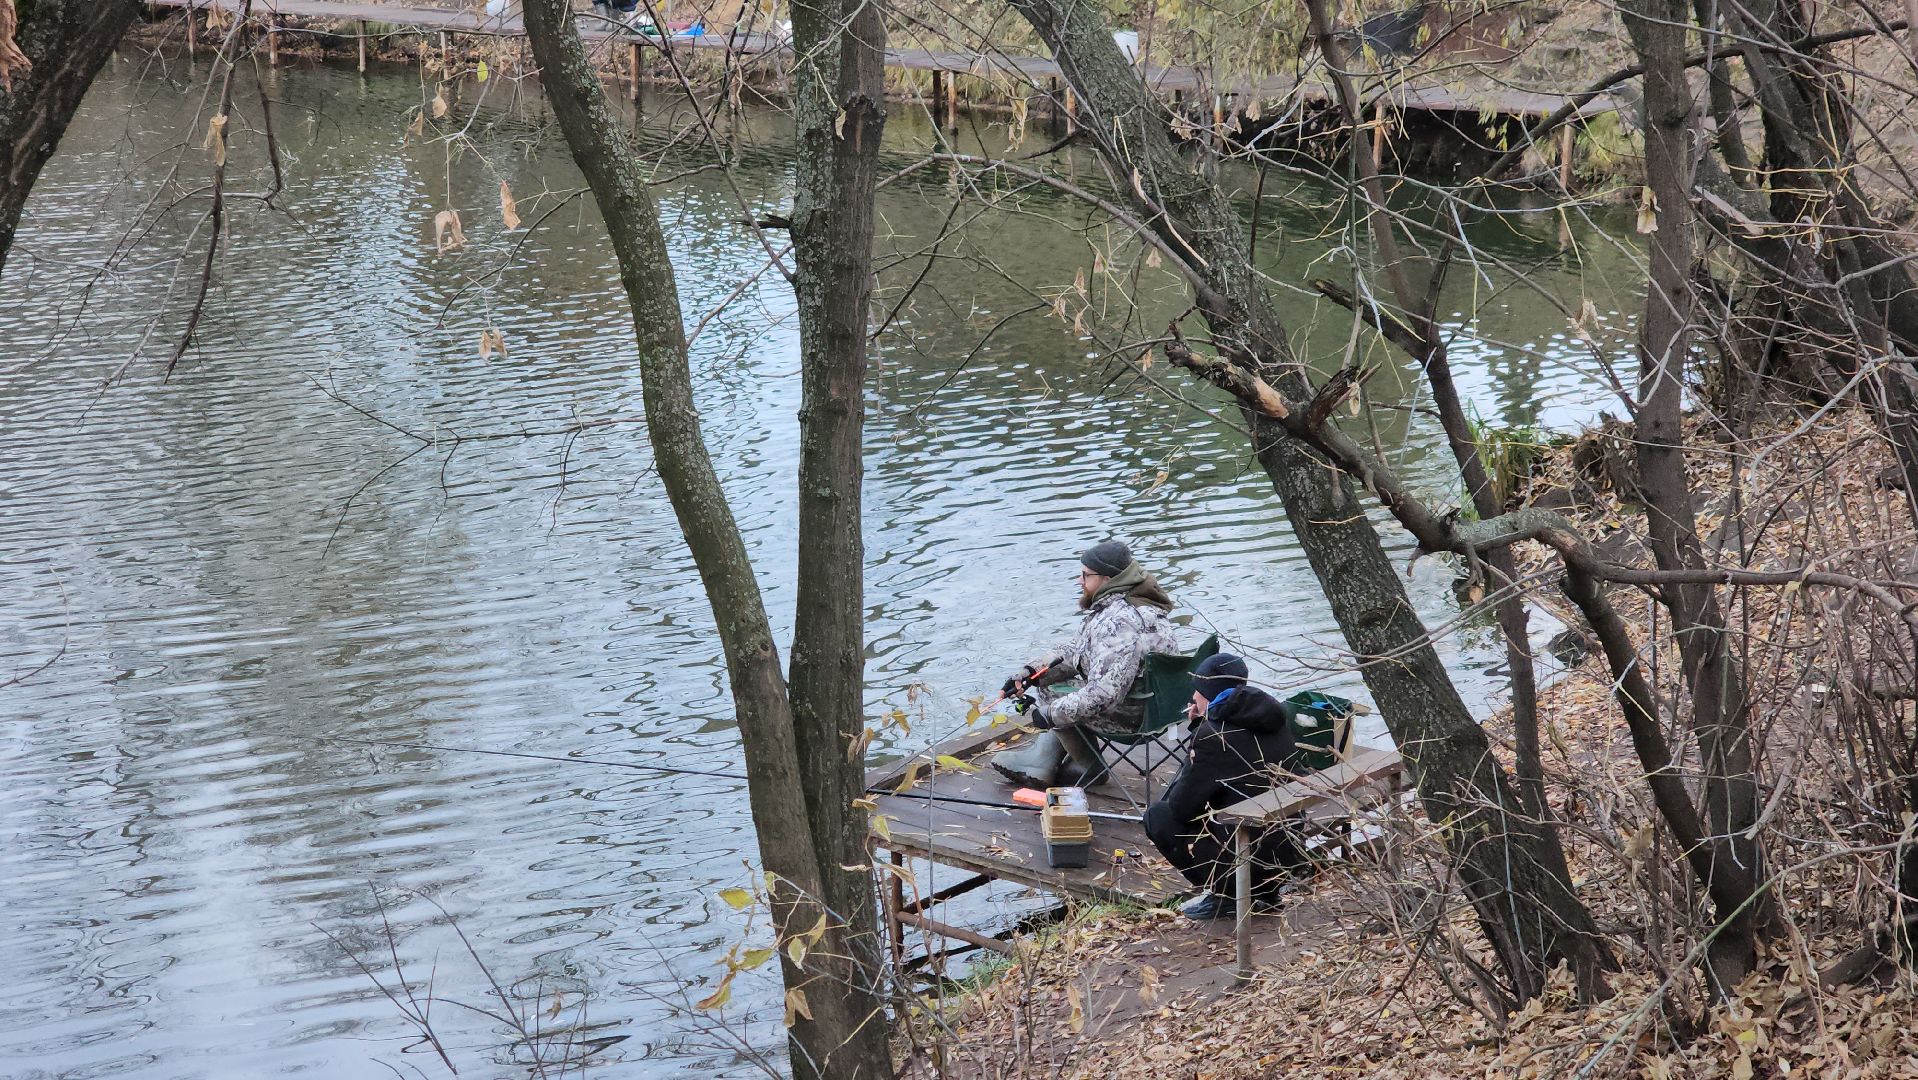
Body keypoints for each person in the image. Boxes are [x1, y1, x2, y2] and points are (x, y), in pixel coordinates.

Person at [990, 540, 1181, 790]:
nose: (1080, 581)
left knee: (1054, 693)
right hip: (1158, 707)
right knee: (1048, 680)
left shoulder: (1118, 623)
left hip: (1133, 718)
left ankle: (1083, 764)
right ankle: (1049, 758)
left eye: (1085, 575)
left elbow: (1104, 695)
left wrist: (1049, 714)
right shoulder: (1137, 604)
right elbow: (1078, 650)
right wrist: (1031, 673)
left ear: (1106, 578)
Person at [1143, 652, 1311, 921]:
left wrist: (1198, 729)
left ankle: (1227, 895)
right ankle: (1265, 894)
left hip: (1249, 857)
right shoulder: (1273, 717)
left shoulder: (1213, 736)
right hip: (1286, 850)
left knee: (1158, 816)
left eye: (1197, 691)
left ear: (1208, 692)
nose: (1193, 698)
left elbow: (1181, 807)